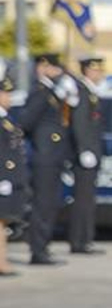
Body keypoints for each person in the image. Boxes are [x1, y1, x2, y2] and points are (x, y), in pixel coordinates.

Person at [16, 53, 74, 266]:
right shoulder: (40, 92)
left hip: (53, 157)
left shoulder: (50, 91)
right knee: (43, 205)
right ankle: (38, 250)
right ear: (43, 67)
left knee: (50, 204)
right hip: (45, 157)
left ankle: (43, 247)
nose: (58, 72)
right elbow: (26, 122)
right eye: (55, 67)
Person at [67, 57, 108, 255]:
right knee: (82, 199)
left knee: (88, 199)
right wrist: (84, 149)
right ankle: (79, 241)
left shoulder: (92, 92)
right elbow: (79, 123)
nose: (100, 74)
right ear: (87, 71)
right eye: (96, 71)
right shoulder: (82, 92)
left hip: (93, 151)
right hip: (85, 153)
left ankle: (85, 239)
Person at [0, 72, 28, 277]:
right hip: (3, 177)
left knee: (4, 222)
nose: (9, 98)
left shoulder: (7, 119)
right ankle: (2, 263)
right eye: (5, 94)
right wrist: (2, 177)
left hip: (11, 177)